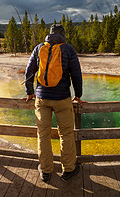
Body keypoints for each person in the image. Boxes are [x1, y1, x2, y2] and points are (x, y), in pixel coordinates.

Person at [25, 24, 84, 182]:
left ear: (49, 35)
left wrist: (30, 92)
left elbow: (29, 71)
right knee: (66, 134)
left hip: (42, 98)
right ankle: (69, 170)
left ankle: (46, 171)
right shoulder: (68, 50)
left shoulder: (39, 48)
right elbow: (76, 74)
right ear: (63, 35)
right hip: (62, 98)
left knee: (43, 135)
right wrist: (78, 94)